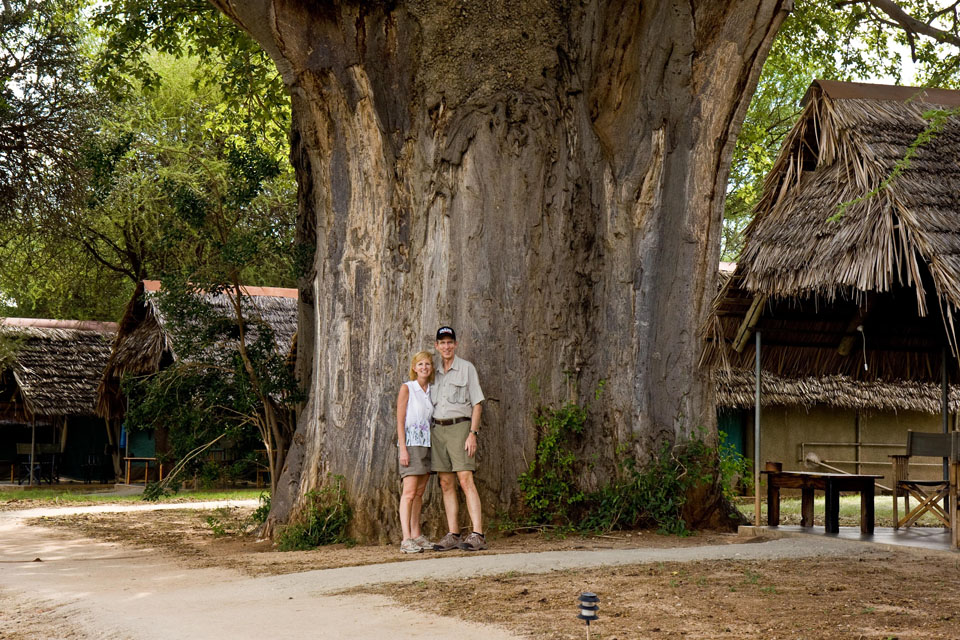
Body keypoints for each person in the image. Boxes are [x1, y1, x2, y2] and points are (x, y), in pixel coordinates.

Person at [430, 326, 487, 551]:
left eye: (449, 342)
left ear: (455, 344)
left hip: (460, 427)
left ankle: (478, 534)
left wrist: (472, 434)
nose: (446, 346)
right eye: (442, 342)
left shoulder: (466, 369)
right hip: (437, 430)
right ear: (437, 346)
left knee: (465, 479)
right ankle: (453, 533)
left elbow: (477, 404)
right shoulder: (432, 370)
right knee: (445, 483)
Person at [396, 350, 435, 553]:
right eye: (420, 364)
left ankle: (416, 534)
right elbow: (400, 420)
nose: (424, 368)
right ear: (414, 368)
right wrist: (403, 448)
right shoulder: (408, 388)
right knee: (409, 493)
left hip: (427, 445)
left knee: (419, 493)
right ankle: (406, 539)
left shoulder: (431, 390)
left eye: (427, 364)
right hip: (411, 444)